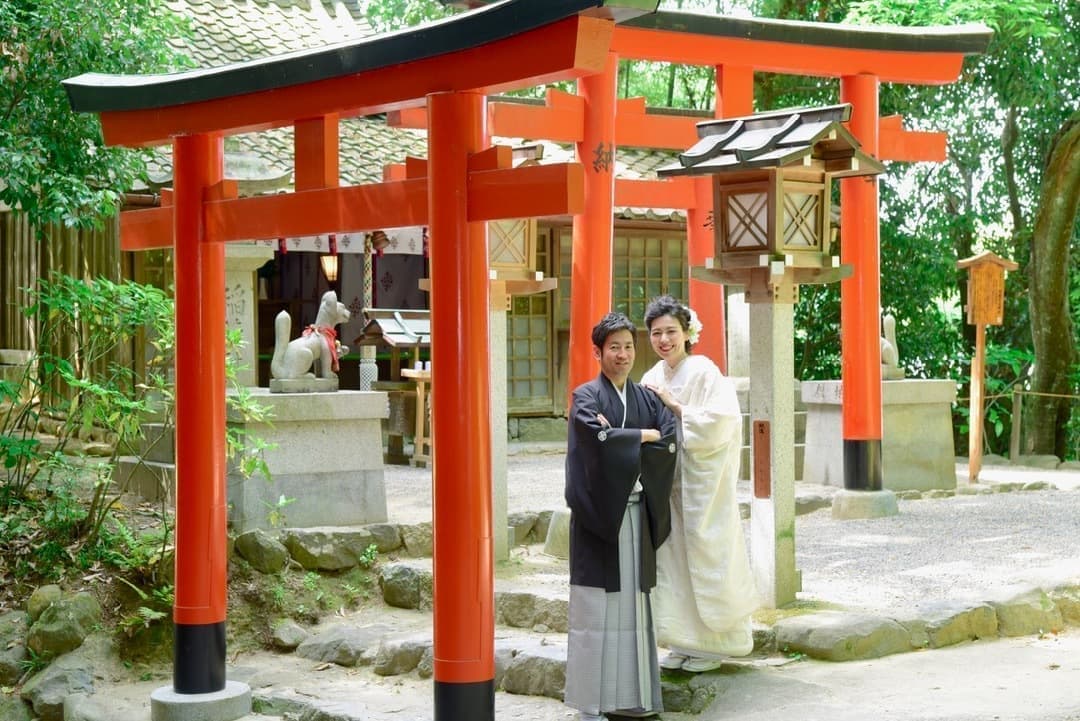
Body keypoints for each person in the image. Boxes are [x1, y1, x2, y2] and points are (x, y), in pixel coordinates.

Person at [564, 312, 679, 721]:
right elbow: (594, 438)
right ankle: (591, 705)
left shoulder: (647, 397)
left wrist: (628, 437)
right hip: (601, 520)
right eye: (614, 347)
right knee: (598, 608)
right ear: (598, 352)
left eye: (629, 346)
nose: (624, 354)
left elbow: (667, 439)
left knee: (634, 604)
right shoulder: (586, 397)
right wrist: (641, 437)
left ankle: (633, 698)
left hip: (637, 516)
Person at [640, 295, 759, 673]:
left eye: (671, 331)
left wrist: (678, 409)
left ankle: (714, 644)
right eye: (656, 333)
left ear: (687, 332)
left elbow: (723, 421)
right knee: (672, 559)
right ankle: (682, 640)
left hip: (701, 483)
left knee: (707, 551)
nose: (663, 340)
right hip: (668, 484)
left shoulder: (704, 370)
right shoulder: (651, 377)